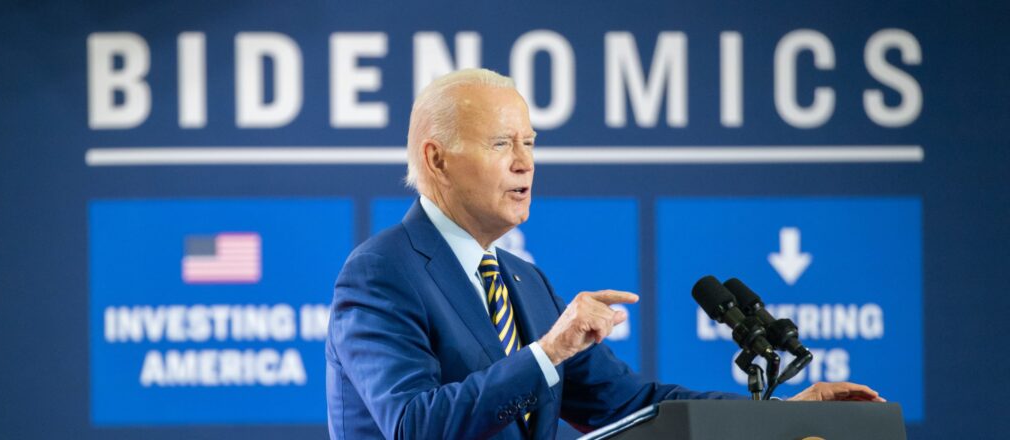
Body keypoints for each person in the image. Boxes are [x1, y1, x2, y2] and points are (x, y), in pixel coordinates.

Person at [325, 69, 884, 439]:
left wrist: (779, 416)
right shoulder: (382, 273)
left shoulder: (523, 281)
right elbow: (413, 425)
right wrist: (549, 351)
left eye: (529, 143)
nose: (525, 162)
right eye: (501, 144)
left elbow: (632, 402)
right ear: (437, 159)